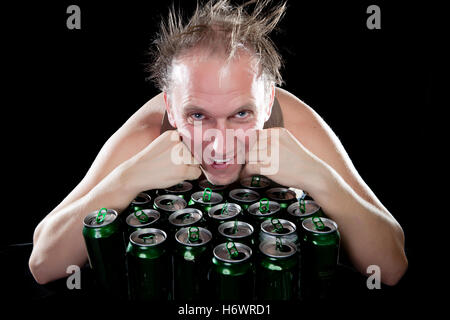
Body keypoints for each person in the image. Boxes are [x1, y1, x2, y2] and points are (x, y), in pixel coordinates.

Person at [29, 0, 407, 286]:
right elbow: (44, 262)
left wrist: (320, 179)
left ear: (269, 101)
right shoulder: (148, 130)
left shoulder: (294, 122)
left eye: (241, 114)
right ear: (171, 109)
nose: (219, 141)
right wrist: (126, 180)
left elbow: (390, 265)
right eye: (197, 116)